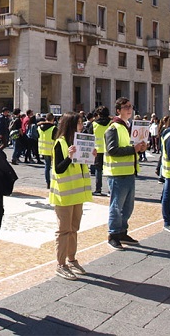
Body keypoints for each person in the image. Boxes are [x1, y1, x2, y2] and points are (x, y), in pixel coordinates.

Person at [49, 112, 95, 279]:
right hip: (64, 194)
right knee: (63, 230)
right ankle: (60, 264)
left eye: (82, 123)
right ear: (70, 125)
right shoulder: (60, 144)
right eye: (79, 123)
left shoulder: (79, 142)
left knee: (74, 229)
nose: (82, 126)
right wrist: (69, 157)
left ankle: (72, 259)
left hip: (77, 193)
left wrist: (91, 156)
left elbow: (82, 165)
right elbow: (59, 169)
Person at [103, 97, 146, 250]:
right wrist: (133, 149)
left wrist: (139, 149)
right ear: (118, 110)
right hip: (117, 172)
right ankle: (113, 234)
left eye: (130, 106)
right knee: (116, 206)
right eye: (125, 107)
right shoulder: (113, 128)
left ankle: (122, 231)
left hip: (128, 171)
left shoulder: (129, 127)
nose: (129, 109)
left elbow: (129, 147)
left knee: (127, 206)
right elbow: (112, 150)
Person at [90, 106, 111, 196]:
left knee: (98, 170)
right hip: (109, 149)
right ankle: (110, 190)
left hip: (97, 150)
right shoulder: (111, 123)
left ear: (98, 114)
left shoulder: (94, 124)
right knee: (109, 170)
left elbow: (89, 136)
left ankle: (98, 189)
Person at [37, 113, 56, 188]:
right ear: (53, 119)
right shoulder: (53, 128)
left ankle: (48, 182)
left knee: (47, 167)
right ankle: (54, 182)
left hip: (43, 149)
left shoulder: (39, 127)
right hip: (52, 150)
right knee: (54, 167)